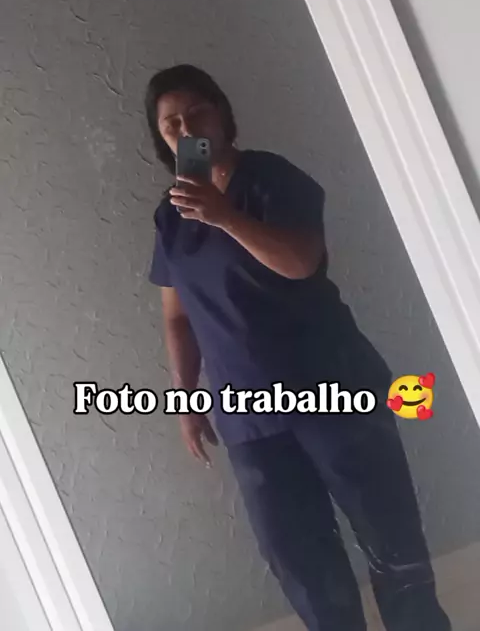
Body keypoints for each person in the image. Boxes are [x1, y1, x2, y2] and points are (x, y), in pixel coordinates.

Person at [145, 64, 451, 631]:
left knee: (389, 538)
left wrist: (224, 216)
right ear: (162, 140)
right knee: (299, 561)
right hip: (248, 416)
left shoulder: (272, 179)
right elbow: (177, 317)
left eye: (197, 114)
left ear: (222, 114)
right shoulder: (171, 216)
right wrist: (184, 399)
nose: (187, 130)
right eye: (172, 125)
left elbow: (300, 262)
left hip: (334, 388)